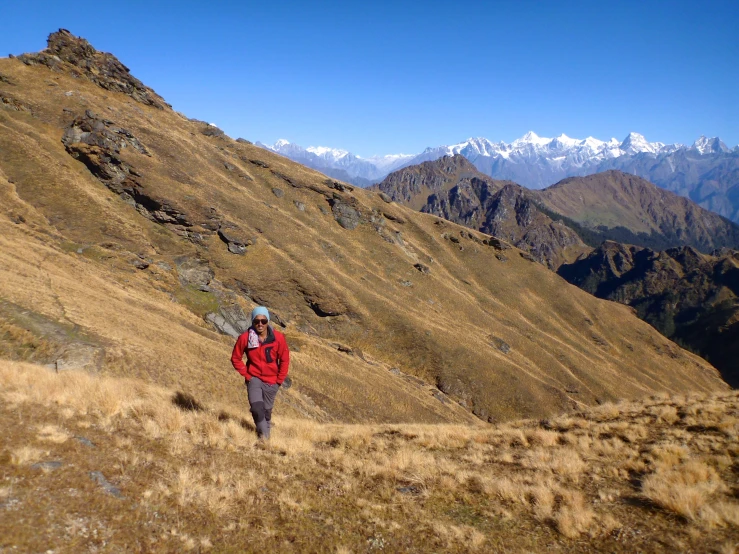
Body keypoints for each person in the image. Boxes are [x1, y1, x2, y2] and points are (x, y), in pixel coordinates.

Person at [231, 306, 290, 440]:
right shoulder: (245, 338)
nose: (260, 324)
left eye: (263, 321)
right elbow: (235, 358)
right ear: (252, 321)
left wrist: (279, 381)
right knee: (257, 409)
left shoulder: (278, 338)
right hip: (254, 378)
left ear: (268, 321)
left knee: (266, 413)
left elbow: (285, 360)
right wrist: (248, 376)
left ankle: (262, 432)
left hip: (272, 381)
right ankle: (265, 441)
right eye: (256, 321)